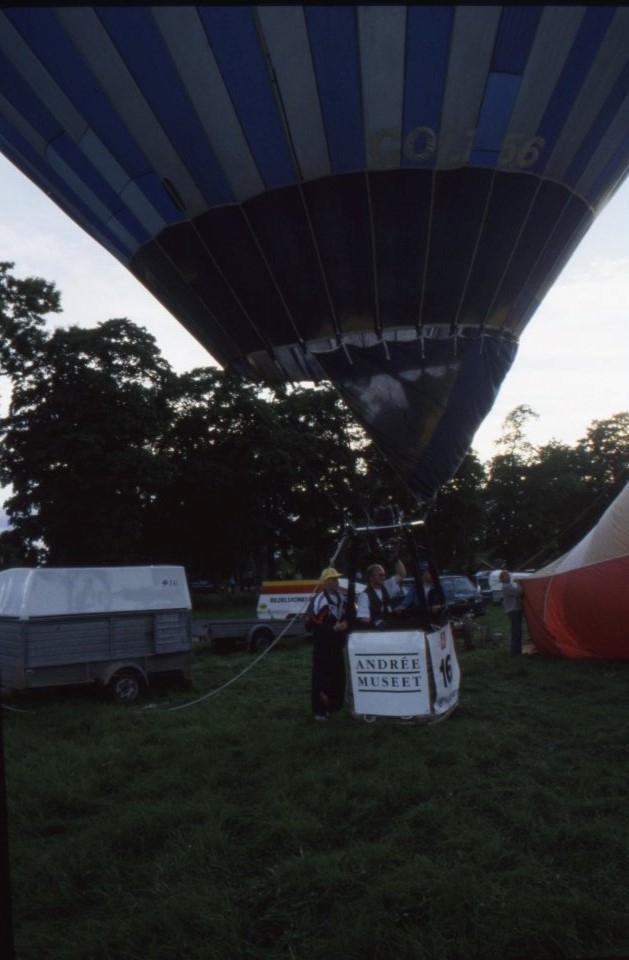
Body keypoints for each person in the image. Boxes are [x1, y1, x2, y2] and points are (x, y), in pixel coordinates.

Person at [310, 567, 348, 720]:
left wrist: (345, 623)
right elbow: (315, 622)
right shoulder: (320, 600)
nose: (336, 582)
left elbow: (347, 613)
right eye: (332, 580)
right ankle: (319, 710)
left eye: (337, 579)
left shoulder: (341, 597)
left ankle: (333, 706)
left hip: (337, 645)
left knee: (338, 675)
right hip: (323, 645)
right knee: (322, 676)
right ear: (325, 582)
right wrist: (332, 628)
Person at [356, 560, 406, 627]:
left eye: (384, 575)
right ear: (371, 577)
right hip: (375, 633)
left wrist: (396, 559)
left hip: (391, 629)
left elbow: (402, 574)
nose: (383, 577)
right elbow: (363, 618)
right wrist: (375, 622)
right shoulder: (364, 595)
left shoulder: (387, 586)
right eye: (380, 575)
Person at [499, 570, 523, 655]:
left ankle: (517, 651)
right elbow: (518, 592)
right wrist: (519, 583)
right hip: (513, 610)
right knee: (516, 631)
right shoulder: (506, 586)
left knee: (516, 630)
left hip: (514, 609)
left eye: (508, 575)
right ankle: (515, 652)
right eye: (506, 576)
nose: (508, 577)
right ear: (502, 578)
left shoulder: (508, 585)